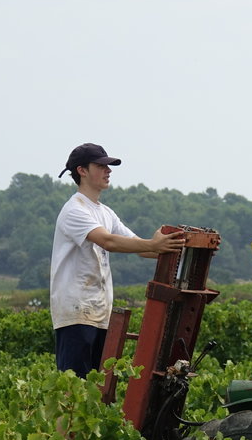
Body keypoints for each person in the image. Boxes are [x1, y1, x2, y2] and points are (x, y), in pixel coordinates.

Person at [50, 143, 186, 377]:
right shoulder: (74, 210)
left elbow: (140, 247)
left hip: (99, 313)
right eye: (101, 166)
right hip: (76, 312)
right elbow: (109, 242)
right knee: (74, 390)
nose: (108, 170)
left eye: (108, 166)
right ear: (82, 170)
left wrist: (177, 249)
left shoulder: (105, 212)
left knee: (96, 387)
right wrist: (153, 245)